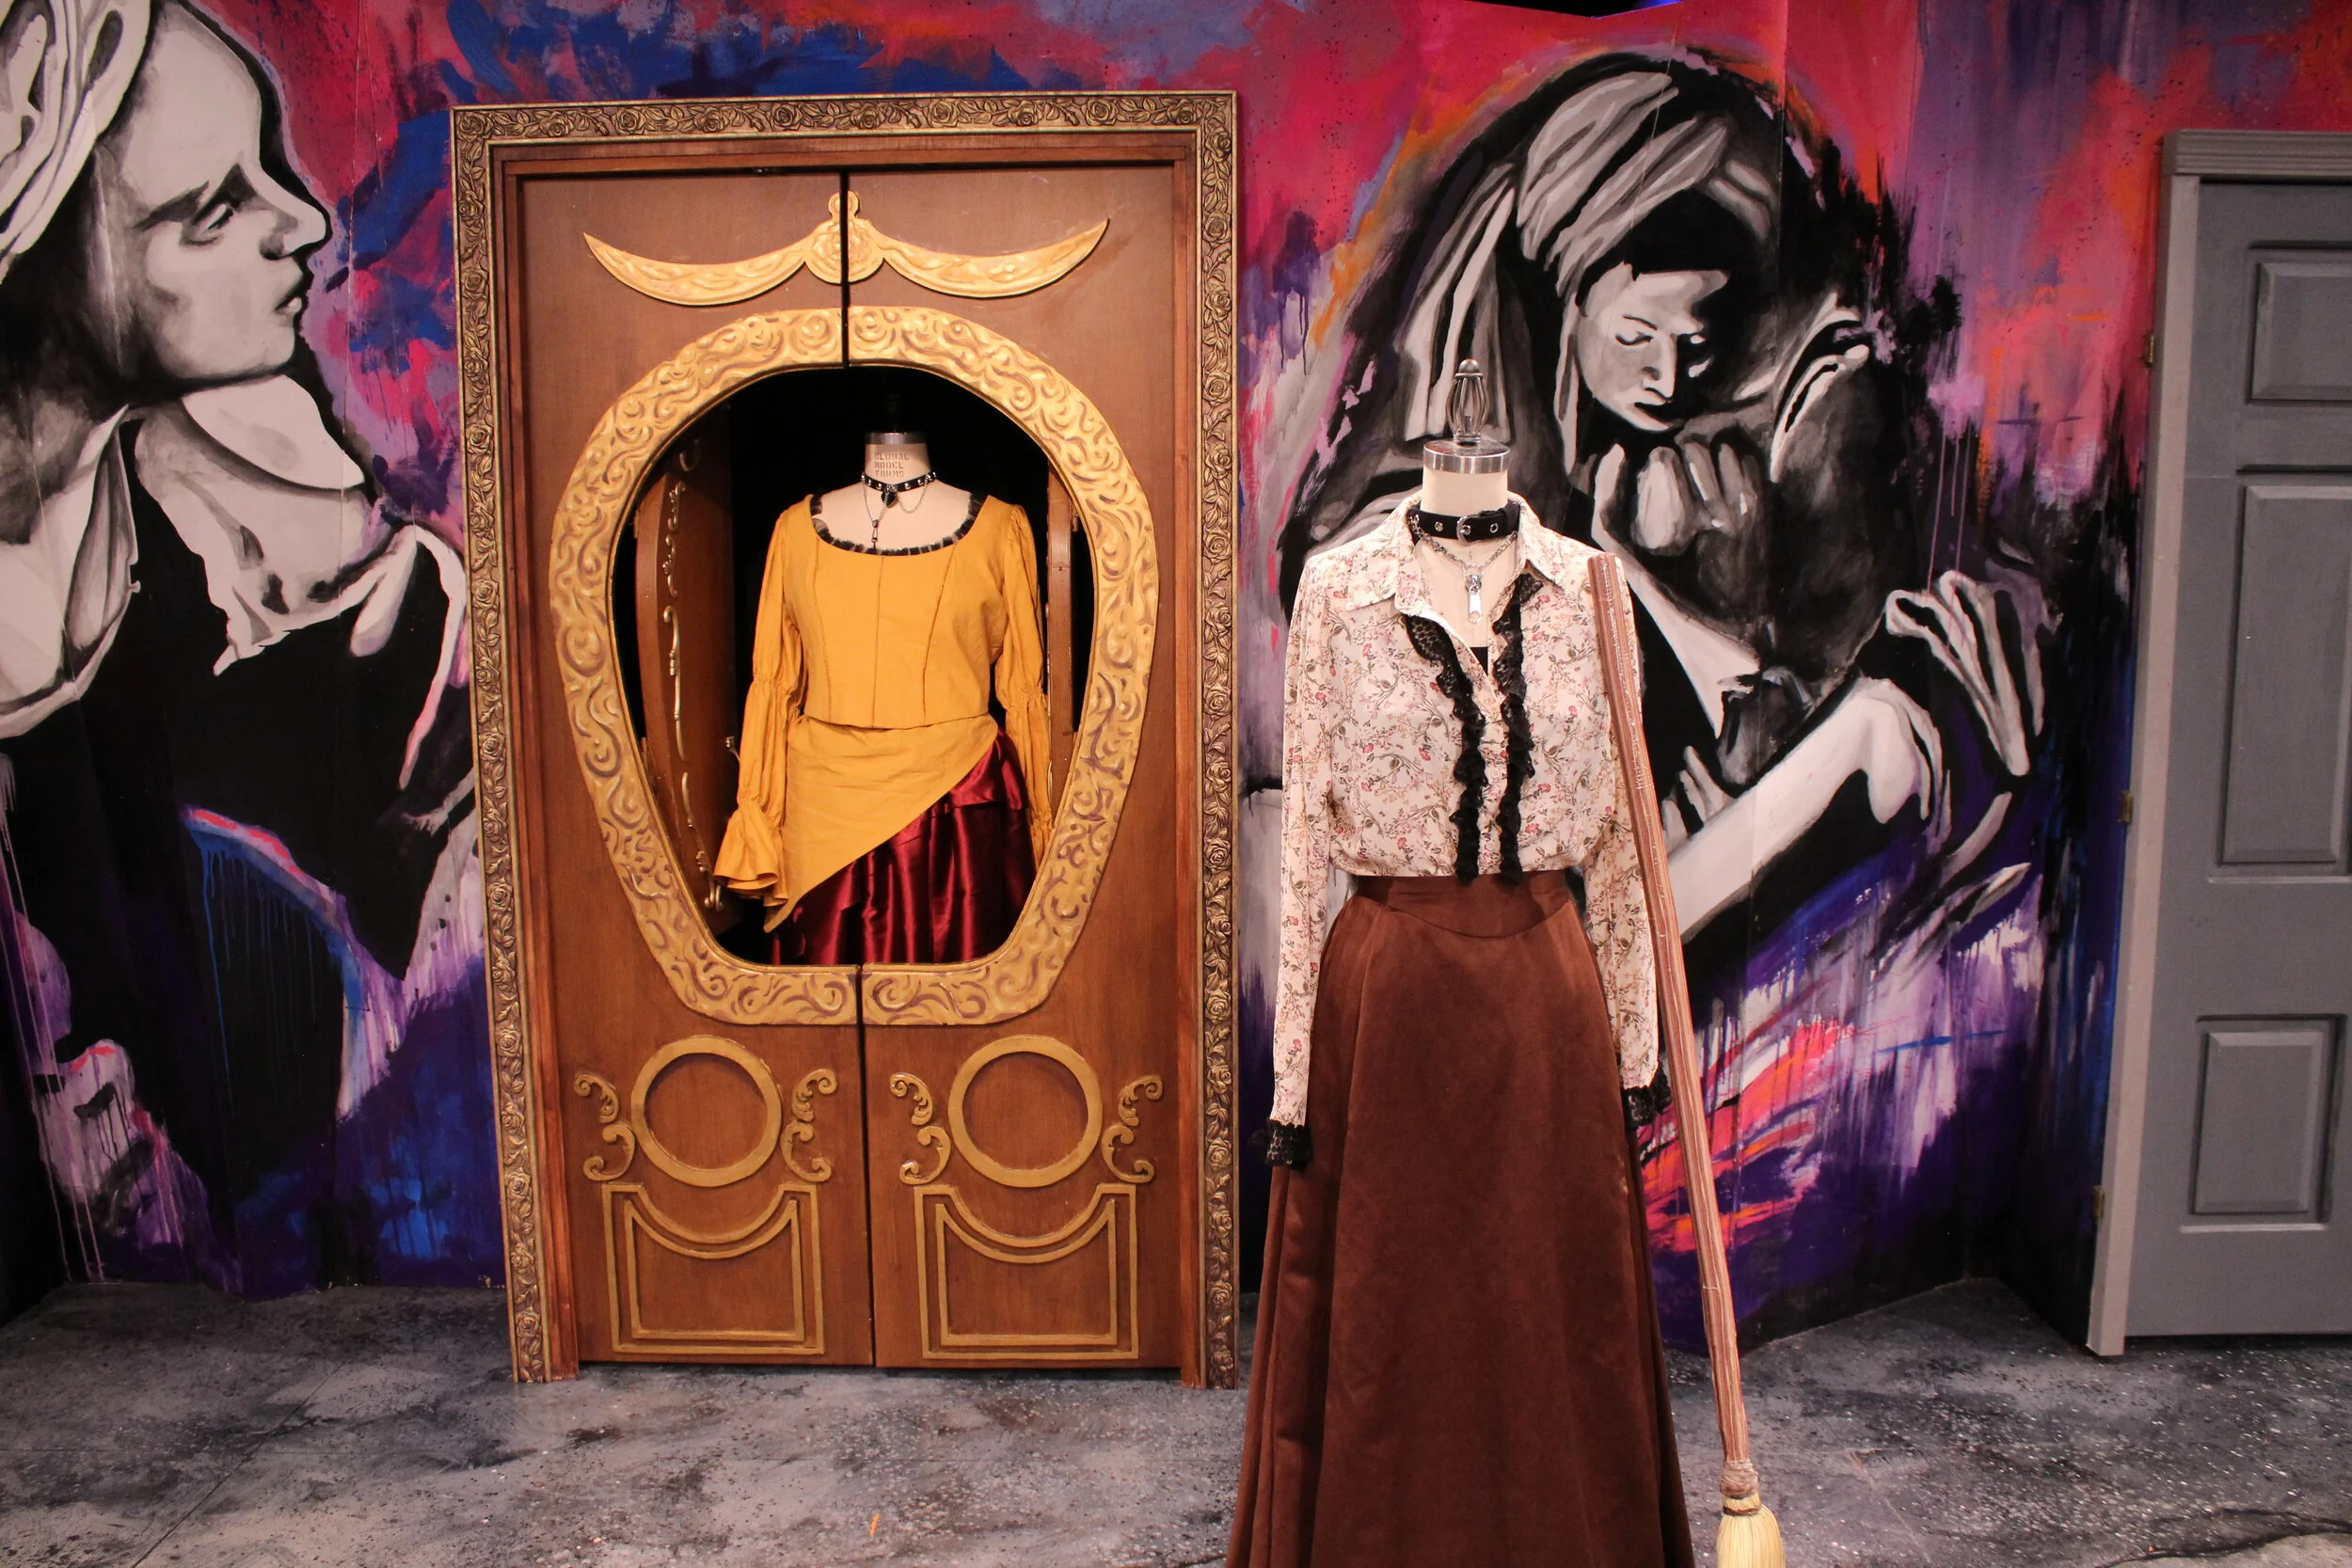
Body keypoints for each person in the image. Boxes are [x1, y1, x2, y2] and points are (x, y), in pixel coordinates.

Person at [1278, 52, 2039, 983]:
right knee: (1883, 735)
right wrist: (1643, 581)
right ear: (1568, 304)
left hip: (1626, 898)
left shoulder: (1684, 471)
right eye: (1636, 336)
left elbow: (1720, 735)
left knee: (1892, 733)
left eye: (1696, 344)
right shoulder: (1432, 517)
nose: (1668, 378)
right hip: (1520, 928)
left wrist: (1689, 599)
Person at [0, 0, 470, 1283]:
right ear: (55, 268)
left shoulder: (297, 550)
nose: (304, 222)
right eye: (213, 209)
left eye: (272, 165)